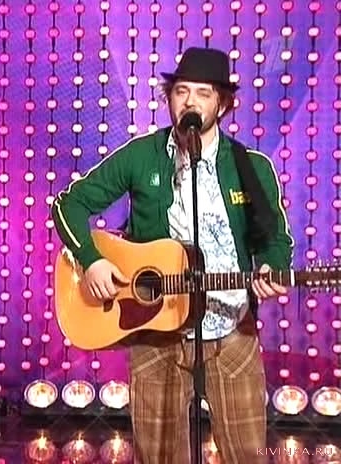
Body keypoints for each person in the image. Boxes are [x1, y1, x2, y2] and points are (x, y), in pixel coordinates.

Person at [51, 47, 294, 463]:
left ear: (223, 104)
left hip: (231, 331)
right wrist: (92, 259)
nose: (190, 102)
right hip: (155, 334)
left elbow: (275, 239)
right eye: (181, 91)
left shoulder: (251, 166)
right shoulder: (141, 154)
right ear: (169, 98)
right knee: (158, 456)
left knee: (247, 454)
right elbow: (68, 204)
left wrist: (273, 266)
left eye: (203, 93)